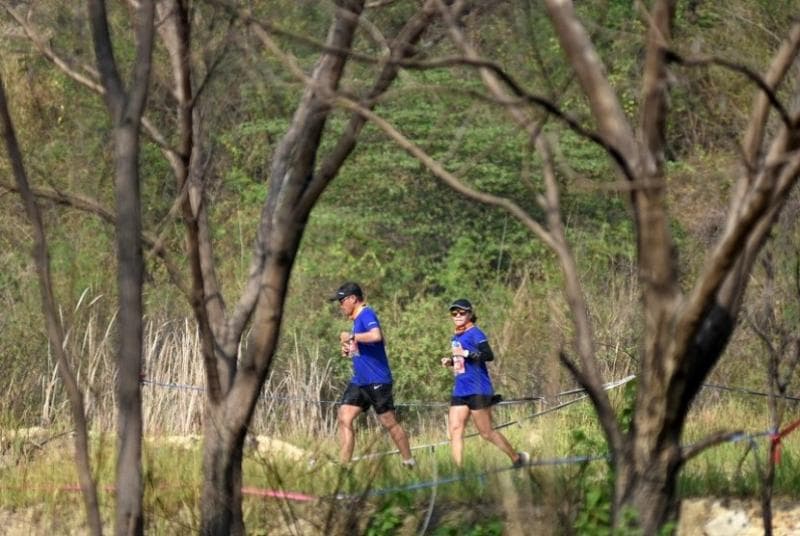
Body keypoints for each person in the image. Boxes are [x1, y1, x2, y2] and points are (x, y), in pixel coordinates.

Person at [330, 282, 415, 467]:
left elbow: (376, 336)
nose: (340, 305)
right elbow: (365, 347)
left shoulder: (366, 314)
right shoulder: (356, 321)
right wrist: (349, 350)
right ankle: (343, 466)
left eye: (342, 301)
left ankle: (409, 461)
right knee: (344, 417)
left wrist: (353, 338)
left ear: (353, 299)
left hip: (377, 380)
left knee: (389, 423)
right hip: (360, 381)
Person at [441, 298, 529, 468]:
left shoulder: (476, 333)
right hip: (460, 389)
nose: (457, 315)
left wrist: (466, 353)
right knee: (455, 429)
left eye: (462, 312)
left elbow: (488, 356)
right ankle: (458, 472)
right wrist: (451, 361)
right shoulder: (456, 336)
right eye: (454, 313)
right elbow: (462, 360)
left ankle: (516, 458)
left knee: (486, 433)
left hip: (478, 388)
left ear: (470, 314)